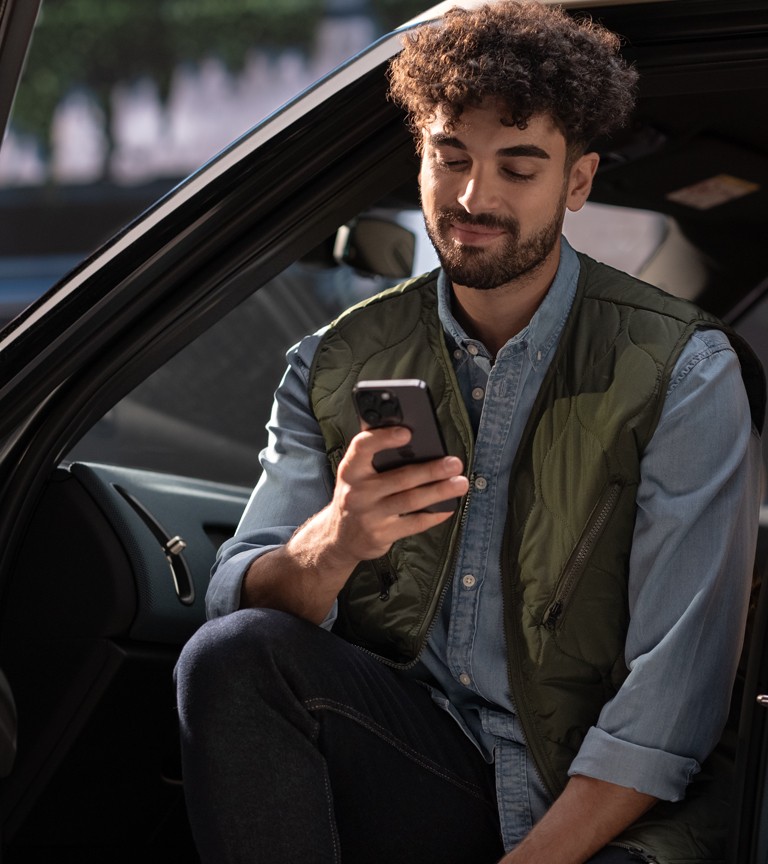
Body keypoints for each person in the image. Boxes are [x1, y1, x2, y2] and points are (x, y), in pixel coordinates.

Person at [175, 2, 765, 862]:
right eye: (449, 158)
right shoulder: (334, 360)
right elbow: (235, 601)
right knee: (236, 656)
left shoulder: (685, 372)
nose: (472, 197)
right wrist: (334, 542)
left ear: (579, 181)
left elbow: (671, 707)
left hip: (596, 809)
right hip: (427, 762)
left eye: (518, 169)